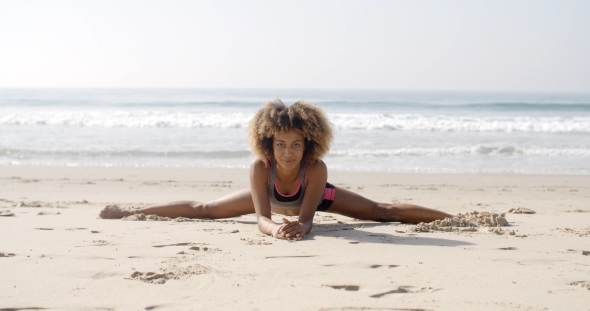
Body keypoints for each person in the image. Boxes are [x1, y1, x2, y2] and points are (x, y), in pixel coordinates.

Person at [99, 100, 452, 241]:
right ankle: (131, 211)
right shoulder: (259, 167)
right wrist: (274, 231)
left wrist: (301, 225)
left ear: (308, 145)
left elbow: (310, 218)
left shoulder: (316, 169)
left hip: (313, 198)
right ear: (268, 145)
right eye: (280, 145)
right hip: (268, 196)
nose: (288, 152)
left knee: (381, 211)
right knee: (204, 210)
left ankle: (458, 217)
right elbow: (261, 219)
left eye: (296, 144)